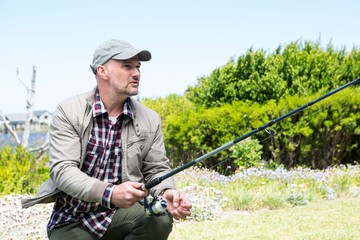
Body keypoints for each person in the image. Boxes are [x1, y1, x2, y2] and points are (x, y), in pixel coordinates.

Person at [21, 39, 192, 239]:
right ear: (102, 71)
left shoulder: (150, 119)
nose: (136, 73)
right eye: (127, 66)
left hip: (121, 214)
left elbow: (157, 169)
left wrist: (166, 191)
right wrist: (109, 193)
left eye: (138, 67)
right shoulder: (68, 111)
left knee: (159, 219)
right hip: (73, 218)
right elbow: (63, 170)